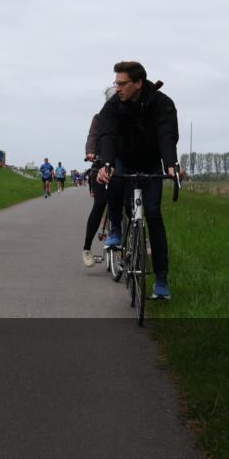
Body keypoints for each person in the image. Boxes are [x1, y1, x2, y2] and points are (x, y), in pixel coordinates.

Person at [96, 62, 183, 299]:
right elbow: (107, 135)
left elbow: (167, 135)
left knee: (153, 216)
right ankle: (115, 226)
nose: (118, 88)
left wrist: (172, 164)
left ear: (138, 83)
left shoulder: (162, 103)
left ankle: (162, 281)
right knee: (113, 181)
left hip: (151, 164)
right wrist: (107, 164)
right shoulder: (114, 105)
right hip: (124, 159)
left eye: (122, 83)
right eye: (116, 83)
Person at [81, 86, 117, 267]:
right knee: (100, 204)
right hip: (101, 164)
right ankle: (87, 248)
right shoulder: (99, 118)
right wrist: (90, 152)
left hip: (122, 166)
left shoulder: (128, 116)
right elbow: (92, 137)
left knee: (129, 204)